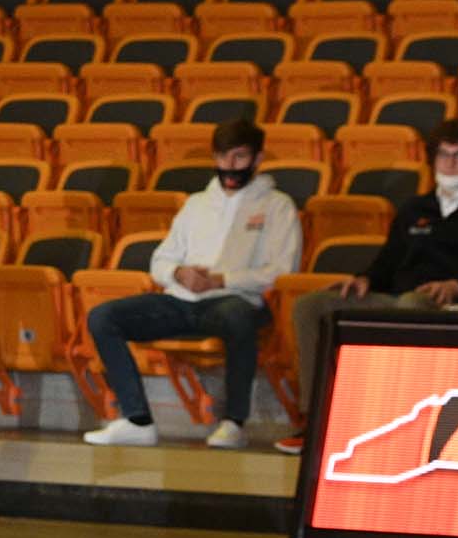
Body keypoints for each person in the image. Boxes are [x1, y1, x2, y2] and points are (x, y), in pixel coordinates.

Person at [277, 120, 458, 453]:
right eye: (444, 154)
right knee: (311, 306)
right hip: (397, 294)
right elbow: (388, 261)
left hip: (451, 303)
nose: (451, 163)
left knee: (410, 308)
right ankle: (315, 417)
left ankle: (397, 419)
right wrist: (365, 279)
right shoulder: (415, 208)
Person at [83, 118, 302, 449]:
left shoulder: (277, 205)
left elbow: (283, 270)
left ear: (257, 160)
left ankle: (234, 422)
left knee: (238, 317)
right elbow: (161, 260)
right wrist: (179, 274)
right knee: (103, 317)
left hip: (238, 299)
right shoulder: (196, 204)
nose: (229, 166)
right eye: (223, 157)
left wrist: (221, 279)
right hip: (182, 299)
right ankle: (137, 420)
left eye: (239, 157)